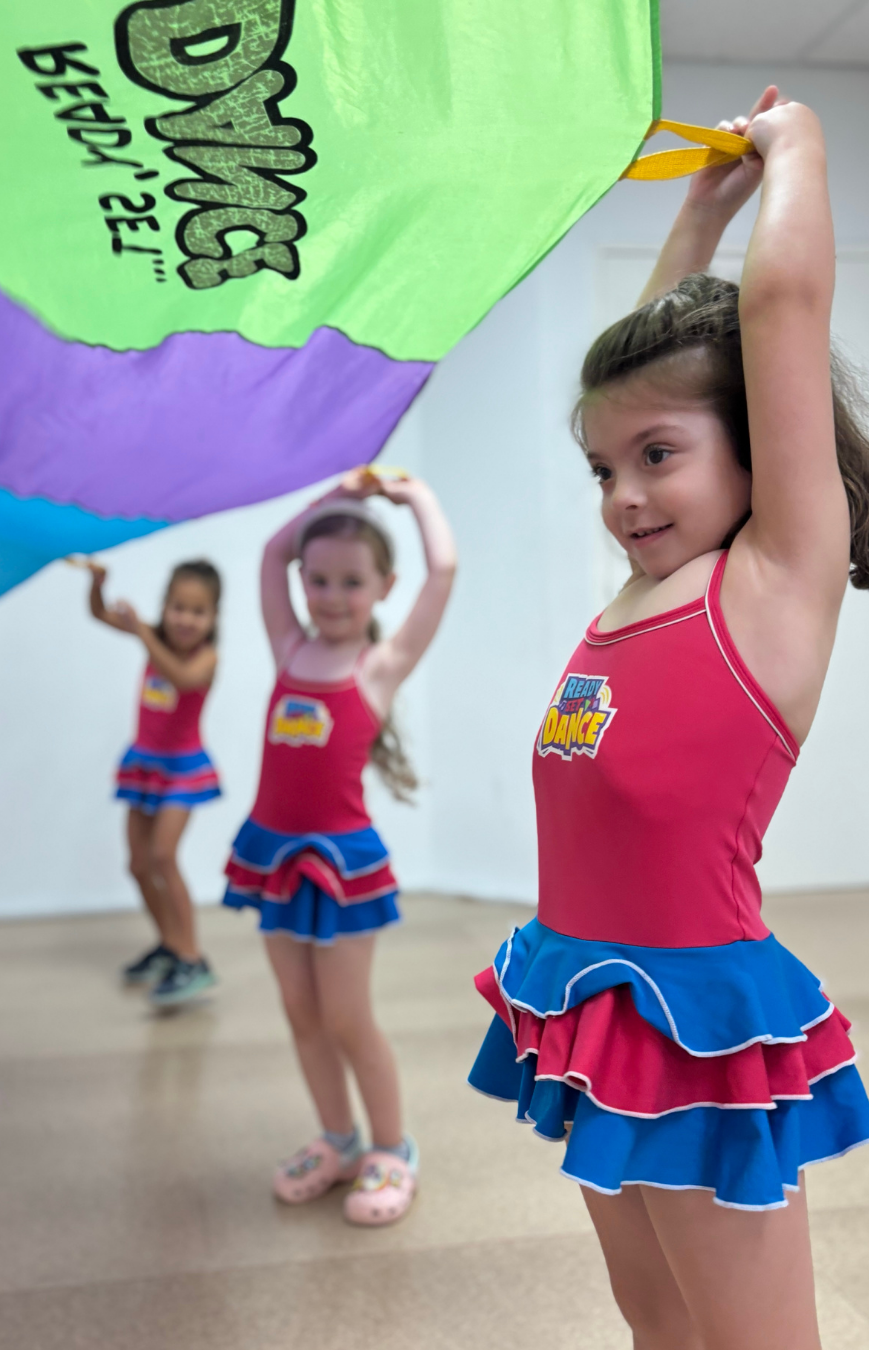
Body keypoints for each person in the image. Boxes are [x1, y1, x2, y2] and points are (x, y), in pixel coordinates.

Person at [469, 87, 869, 1349]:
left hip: (694, 1026)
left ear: (755, 446)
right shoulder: (643, 590)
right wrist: (700, 211)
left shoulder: (771, 586)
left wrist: (798, 151)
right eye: (605, 468)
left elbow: (780, 310)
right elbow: (644, 379)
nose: (624, 496)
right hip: (596, 999)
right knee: (657, 1322)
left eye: (659, 458)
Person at [224, 468, 456, 1226]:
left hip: (341, 866)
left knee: (348, 1017)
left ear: (383, 588)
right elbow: (271, 553)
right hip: (275, 857)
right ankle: (337, 1138)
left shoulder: (378, 669)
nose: (330, 596)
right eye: (318, 579)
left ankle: (392, 1148)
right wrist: (333, 497)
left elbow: (443, 570)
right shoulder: (288, 648)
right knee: (300, 1012)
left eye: (351, 582)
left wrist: (411, 498)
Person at [89, 558, 223, 1008]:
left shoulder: (205, 658)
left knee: (164, 856)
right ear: (165, 606)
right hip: (144, 766)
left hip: (182, 770)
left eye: (198, 612)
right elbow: (99, 613)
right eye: (178, 608)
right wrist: (98, 585)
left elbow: (181, 679)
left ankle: (193, 958)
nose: (186, 619)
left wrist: (144, 634)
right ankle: (170, 945)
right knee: (139, 865)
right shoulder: (154, 637)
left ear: (214, 617)